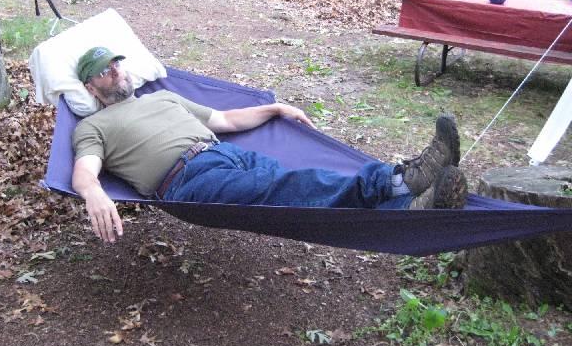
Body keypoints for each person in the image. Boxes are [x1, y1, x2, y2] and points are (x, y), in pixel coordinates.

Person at [72, 47, 468, 243]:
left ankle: (409, 207)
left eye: (116, 63)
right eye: (103, 71)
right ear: (91, 87)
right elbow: (85, 172)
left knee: (301, 183)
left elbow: (224, 120)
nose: (114, 71)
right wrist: (94, 194)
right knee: (288, 190)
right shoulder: (93, 126)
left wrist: (275, 107)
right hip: (186, 183)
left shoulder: (163, 97)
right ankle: (398, 181)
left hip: (227, 154)